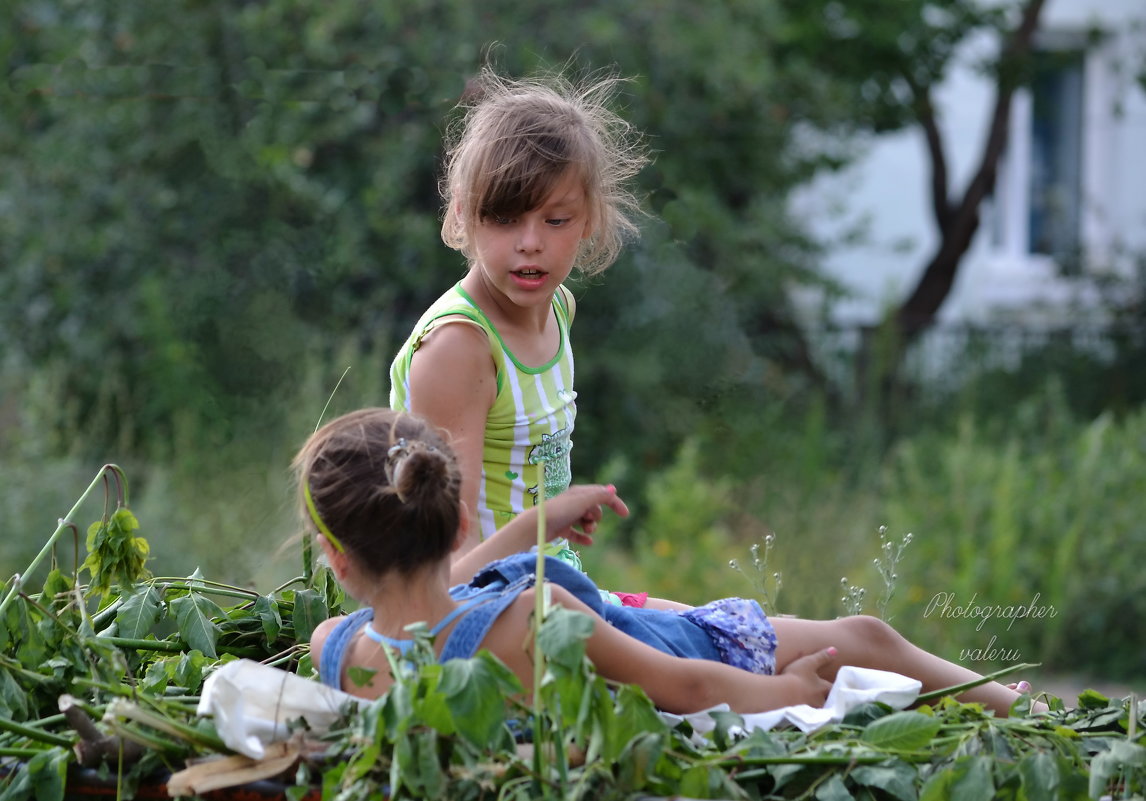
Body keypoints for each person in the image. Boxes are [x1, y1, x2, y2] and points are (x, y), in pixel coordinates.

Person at [299, 408, 1039, 717]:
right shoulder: (532, 619)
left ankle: (1015, 701)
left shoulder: (339, 647)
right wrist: (788, 693)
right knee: (866, 635)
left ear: (336, 555)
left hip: (622, 637)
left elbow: (448, 586)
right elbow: (682, 684)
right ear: (457, 515)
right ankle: (1027, 711)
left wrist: (537, 523)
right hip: (677, 652)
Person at [387, 67, 668, 607]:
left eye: (556, 220)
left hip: (554, 590)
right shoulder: (459, 349)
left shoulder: (558, 307)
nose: (531, 243)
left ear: (589, 218)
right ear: (466, 214)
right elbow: (443, 575)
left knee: (849, 636)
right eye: (505, 219)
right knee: (732, 659)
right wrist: (548, 524)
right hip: (494, 611)